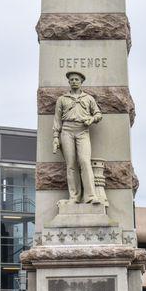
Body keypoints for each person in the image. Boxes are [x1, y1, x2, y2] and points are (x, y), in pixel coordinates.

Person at [52, 71, 102, 204]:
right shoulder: (62, 99)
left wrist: (91, 119)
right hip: (66, 131)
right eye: (72, 79)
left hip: (83, 131)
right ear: (69, 82)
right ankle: (74, 197)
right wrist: (56, 137)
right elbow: (57, 120)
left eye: (77, 79)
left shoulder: (88, 98)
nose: (74, 81)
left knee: (85, 162)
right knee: (71, 165)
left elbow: (98, 114)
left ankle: (91, 196)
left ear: (81, 82)